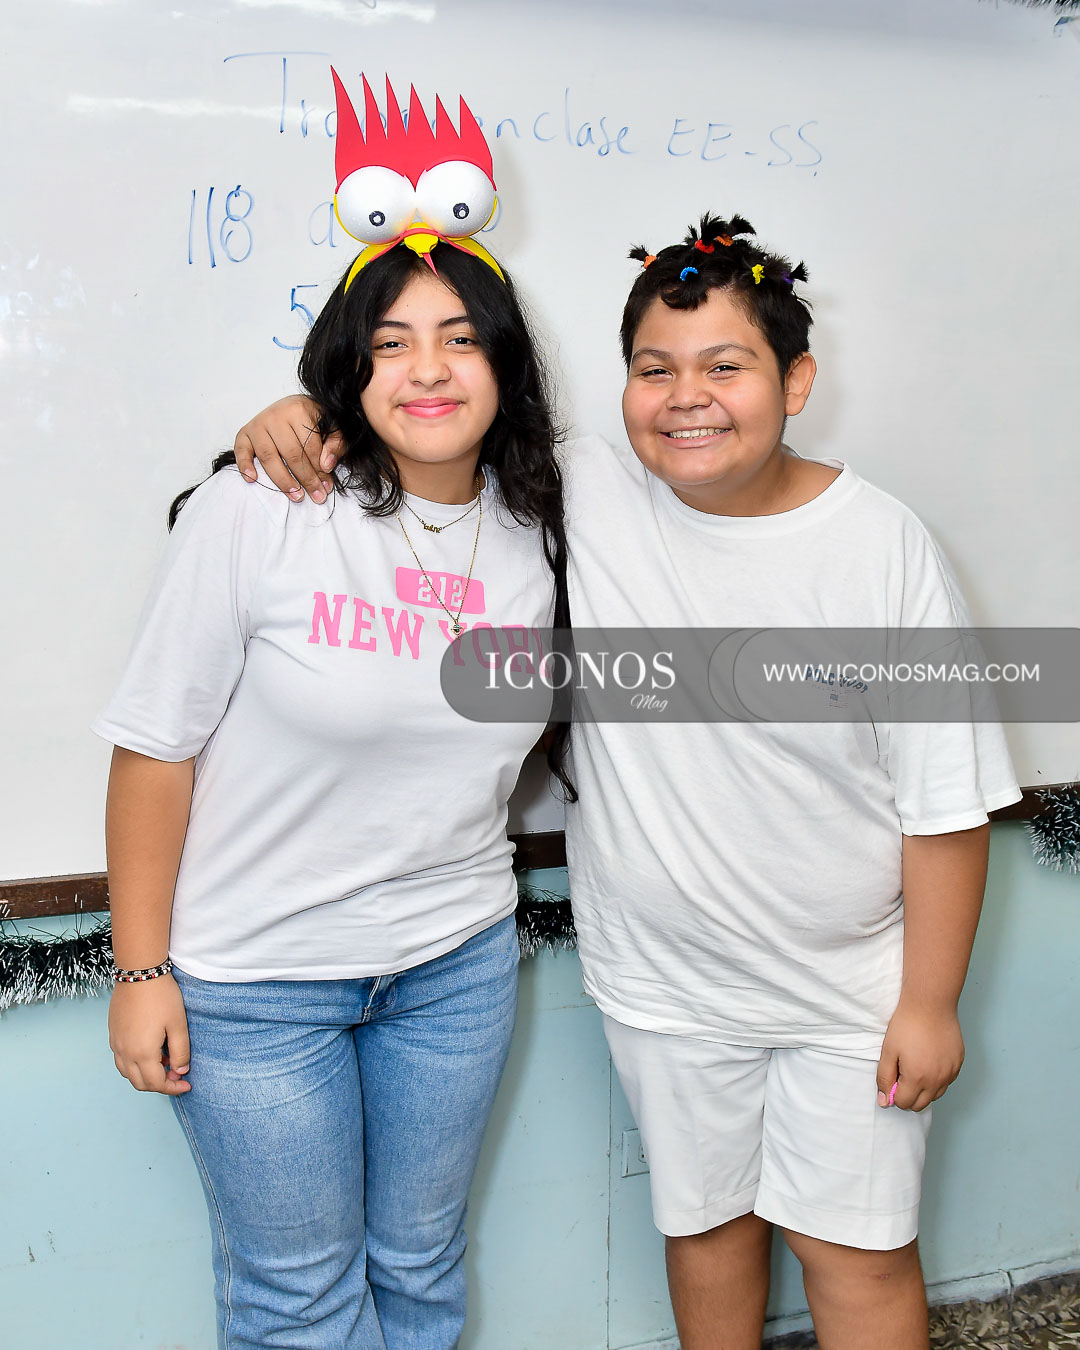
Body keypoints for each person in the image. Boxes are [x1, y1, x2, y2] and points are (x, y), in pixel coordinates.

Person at [230, 213, 1021, 1350]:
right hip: (666, 988)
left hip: (852, 995)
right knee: (703, 1232)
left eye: (725, 367)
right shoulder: (583, 492)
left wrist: (930, 1004)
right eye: (655, 369)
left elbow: (945, 806)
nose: (687, 397)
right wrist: (304, 412)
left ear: (797, 381)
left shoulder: (883, 549)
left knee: (856, 1253)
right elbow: (436, 422)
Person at [93, 72, 573, 1348]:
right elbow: (154, 752)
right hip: (256, 982)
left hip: (456, 962)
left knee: (421, 1268)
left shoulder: (545, 524)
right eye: (392, 343)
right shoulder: (261, 507)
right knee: (298, 1298)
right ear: (348, 367)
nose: (430, 369)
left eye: (461, 338)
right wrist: (140, 971)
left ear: (506, 364)